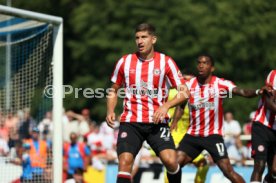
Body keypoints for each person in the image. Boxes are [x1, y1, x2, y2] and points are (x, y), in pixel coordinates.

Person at [106, 23, 190, 183]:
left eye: (144, 37)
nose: (140, 41)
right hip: (131, 122)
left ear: (154, 39)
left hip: (157, 123)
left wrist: (166, 106)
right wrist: (110, 110)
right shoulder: (125, 61)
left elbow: (185, 92)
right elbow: (113, 89)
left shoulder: (166, 62)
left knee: (171, 161)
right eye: (137, 38)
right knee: (124, 163)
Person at [174, 54, 265, 183]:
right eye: (199, 63)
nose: (201, 65)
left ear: (212, 68)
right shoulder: (189, 85)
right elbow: (181, 105)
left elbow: (242, 92)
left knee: (227, 170)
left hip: (212, 136)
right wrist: (175, 121)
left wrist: (257, 92)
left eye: (205, 63)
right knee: (174, 165)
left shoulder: (220, 84)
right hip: (192, 136)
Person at [165, 86, 209, 183]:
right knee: (173, 164)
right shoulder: (171, 92)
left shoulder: (198, 94)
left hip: (189, 138)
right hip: (174, 135)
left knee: (204, 165)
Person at [250, 70, 276, 183]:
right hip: (263, 126)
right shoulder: (274, 75)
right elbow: (269, 102)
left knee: (274, 171)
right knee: (259, 165)